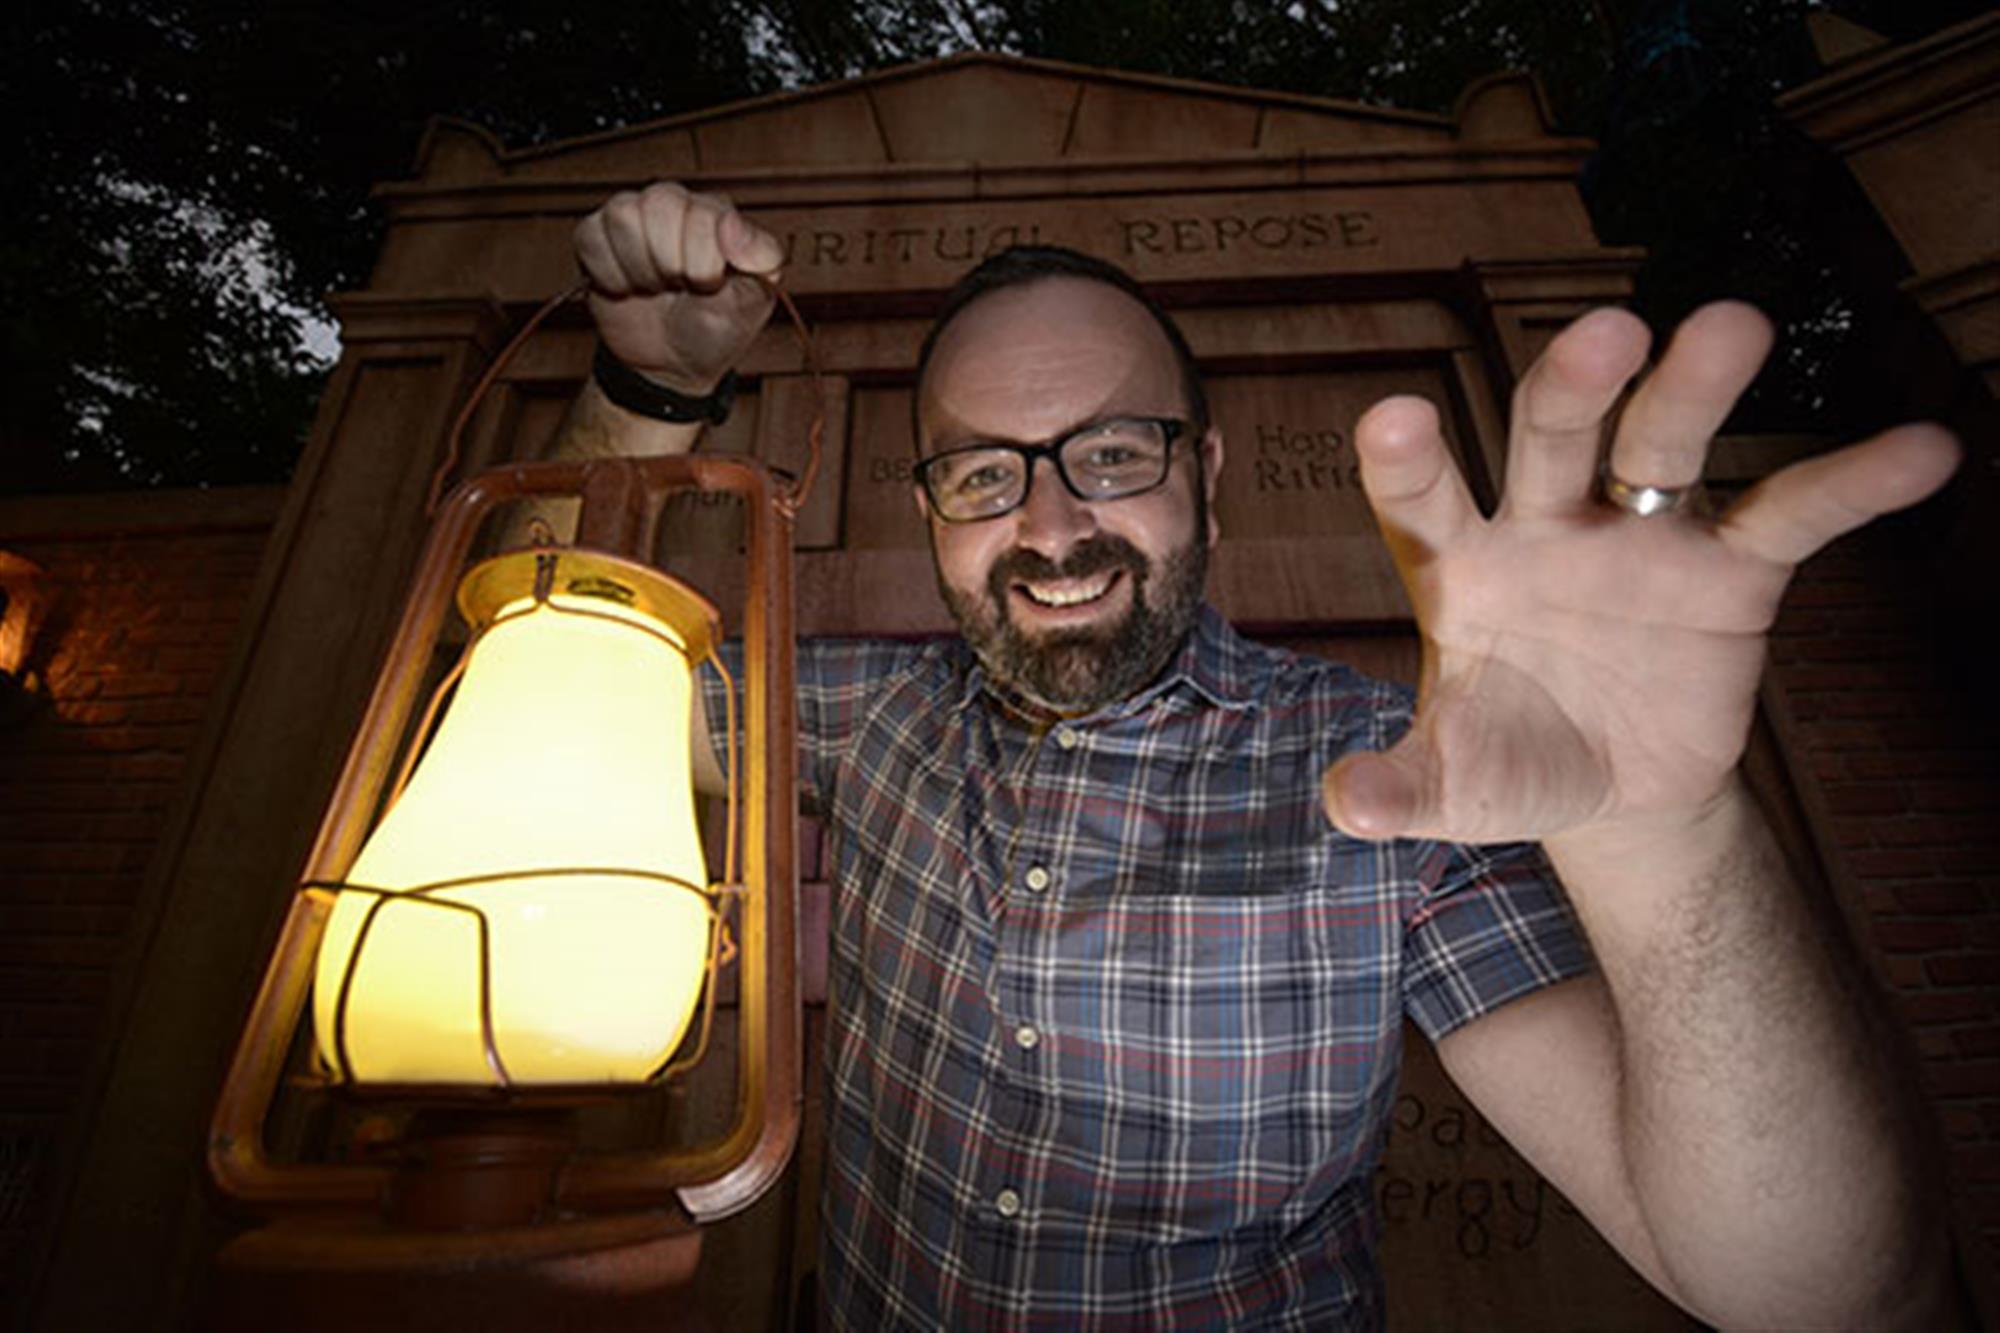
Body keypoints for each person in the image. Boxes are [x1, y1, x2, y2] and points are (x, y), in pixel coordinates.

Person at [561, 182, 1959, 1330]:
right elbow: (534, 677)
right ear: (932, 509)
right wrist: (645, 392)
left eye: (1114, 452)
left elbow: (1813, 1298)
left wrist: (1665, 829)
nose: (1051, 526)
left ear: (1208, 475)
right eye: (984, 472)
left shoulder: (1395, 778)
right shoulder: (865, 713)